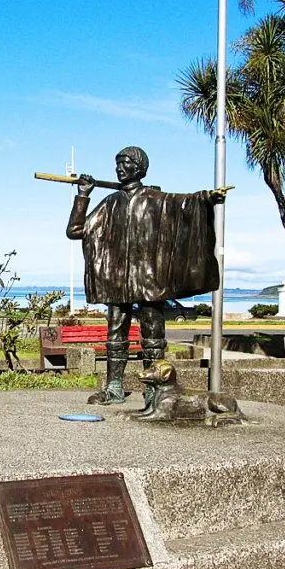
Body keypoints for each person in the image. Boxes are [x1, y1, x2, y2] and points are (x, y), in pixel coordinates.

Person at [66, 146, 230, 406]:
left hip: (149, 280)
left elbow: (186, 203)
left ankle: (157, 390)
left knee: (153, 337)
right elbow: (76, 230)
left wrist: (207, 198)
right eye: (117, 163)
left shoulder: (156, 198)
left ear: (140, 168)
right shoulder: (110, 203)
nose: (120, 168)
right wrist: (83, 196)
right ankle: (114, 387)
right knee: (115, 336)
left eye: (126, 163)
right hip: (117, 280)